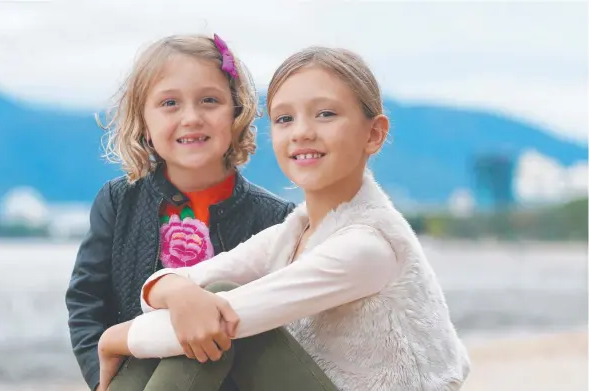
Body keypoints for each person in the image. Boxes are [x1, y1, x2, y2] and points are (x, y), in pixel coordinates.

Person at [97, 46, 471, 391]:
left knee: (215, 311)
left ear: (373, 134)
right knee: (202, 305)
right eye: (284, 118)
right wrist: (176, 291)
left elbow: (223, 319)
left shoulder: (368, 246)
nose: (302, 132)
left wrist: (113, 339)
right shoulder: (293, 232)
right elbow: (176, 286)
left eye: (326, 114)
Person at [65, 33, 294, 391]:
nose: (192, 117)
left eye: (209, 100)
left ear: (237, 111)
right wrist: (101, 381)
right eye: (170, 103)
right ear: (143, 120)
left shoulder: (275, 218)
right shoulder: (117, 201)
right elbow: (86, 301)